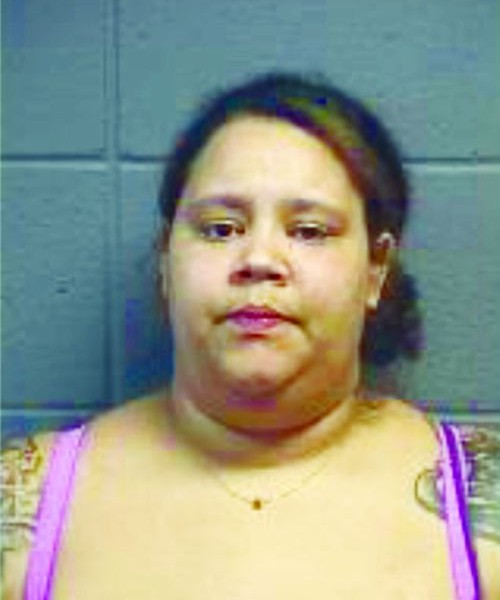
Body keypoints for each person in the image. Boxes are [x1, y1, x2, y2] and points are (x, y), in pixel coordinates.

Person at [1, 71, 499, 600]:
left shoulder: (482, 516)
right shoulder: (23, 505)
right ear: (167, 257)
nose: (259, 259)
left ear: (375, 270)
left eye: (309, 231)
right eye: (221, 229)